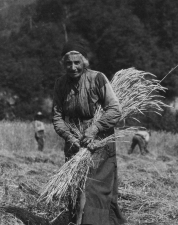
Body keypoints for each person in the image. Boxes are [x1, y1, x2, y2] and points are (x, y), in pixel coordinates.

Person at [52, 41, 126, 225]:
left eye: (77, 62)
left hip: (99, 143)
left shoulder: (97, 79)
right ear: (63, 64)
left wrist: (94, 129)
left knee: (95, 189)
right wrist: (70, 137)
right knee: (76, 188)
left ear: (84, 62)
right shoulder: (60, 84)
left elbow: (114, 110)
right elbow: (57, 116)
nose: (73, 67)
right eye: (68, 63)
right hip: (74, 143)